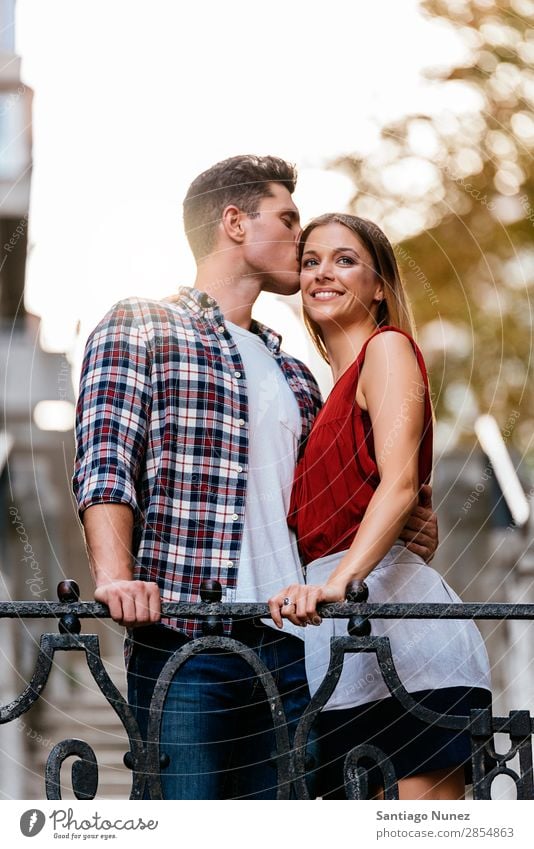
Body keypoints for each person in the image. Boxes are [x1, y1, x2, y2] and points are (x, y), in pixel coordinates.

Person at [73, 157, 438, 800]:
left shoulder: (296, 373)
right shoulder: (141, 323)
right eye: (290, 219)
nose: (303, 242)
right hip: (185, 641)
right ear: (235, 222)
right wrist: (112, 574)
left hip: (294, 645)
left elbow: (324, 497)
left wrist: (407, 522)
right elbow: (106, 462)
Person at [269, 213, 491, 800]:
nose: (322, 273)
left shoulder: (386, 349)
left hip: (397, 635)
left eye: (345, 260)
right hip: (346, 640)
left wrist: (340, 582)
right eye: (311, 260)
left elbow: (397, 485)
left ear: (381, 287)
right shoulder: (325, 392)